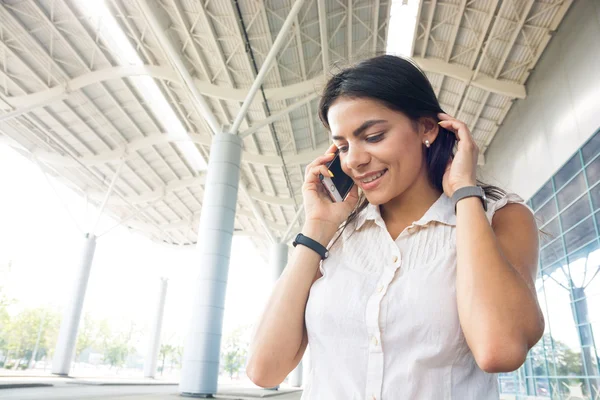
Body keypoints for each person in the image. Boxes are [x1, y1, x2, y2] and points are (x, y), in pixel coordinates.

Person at [246, 55, 544, 399]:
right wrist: (317, 227)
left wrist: (465, 193)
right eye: (342, 146)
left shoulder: (499, 218)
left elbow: (500, 349)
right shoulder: (337, 236)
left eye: (373, 136)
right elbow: (264, 369)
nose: (353, 160)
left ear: (427, 128)